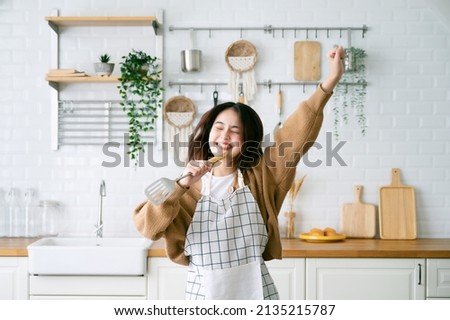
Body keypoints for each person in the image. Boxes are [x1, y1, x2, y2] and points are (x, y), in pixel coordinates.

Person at [133, 46, 345, 300]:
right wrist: (180, 186)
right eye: (219, 127)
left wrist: (329, 82)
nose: (224, 136)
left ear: (247, 140)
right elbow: (147, 228)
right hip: (204, 297)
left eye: (235, 131)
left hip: (255, 294)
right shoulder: (184, 187)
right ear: (207, 132)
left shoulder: (264, 176)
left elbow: (295, 135)